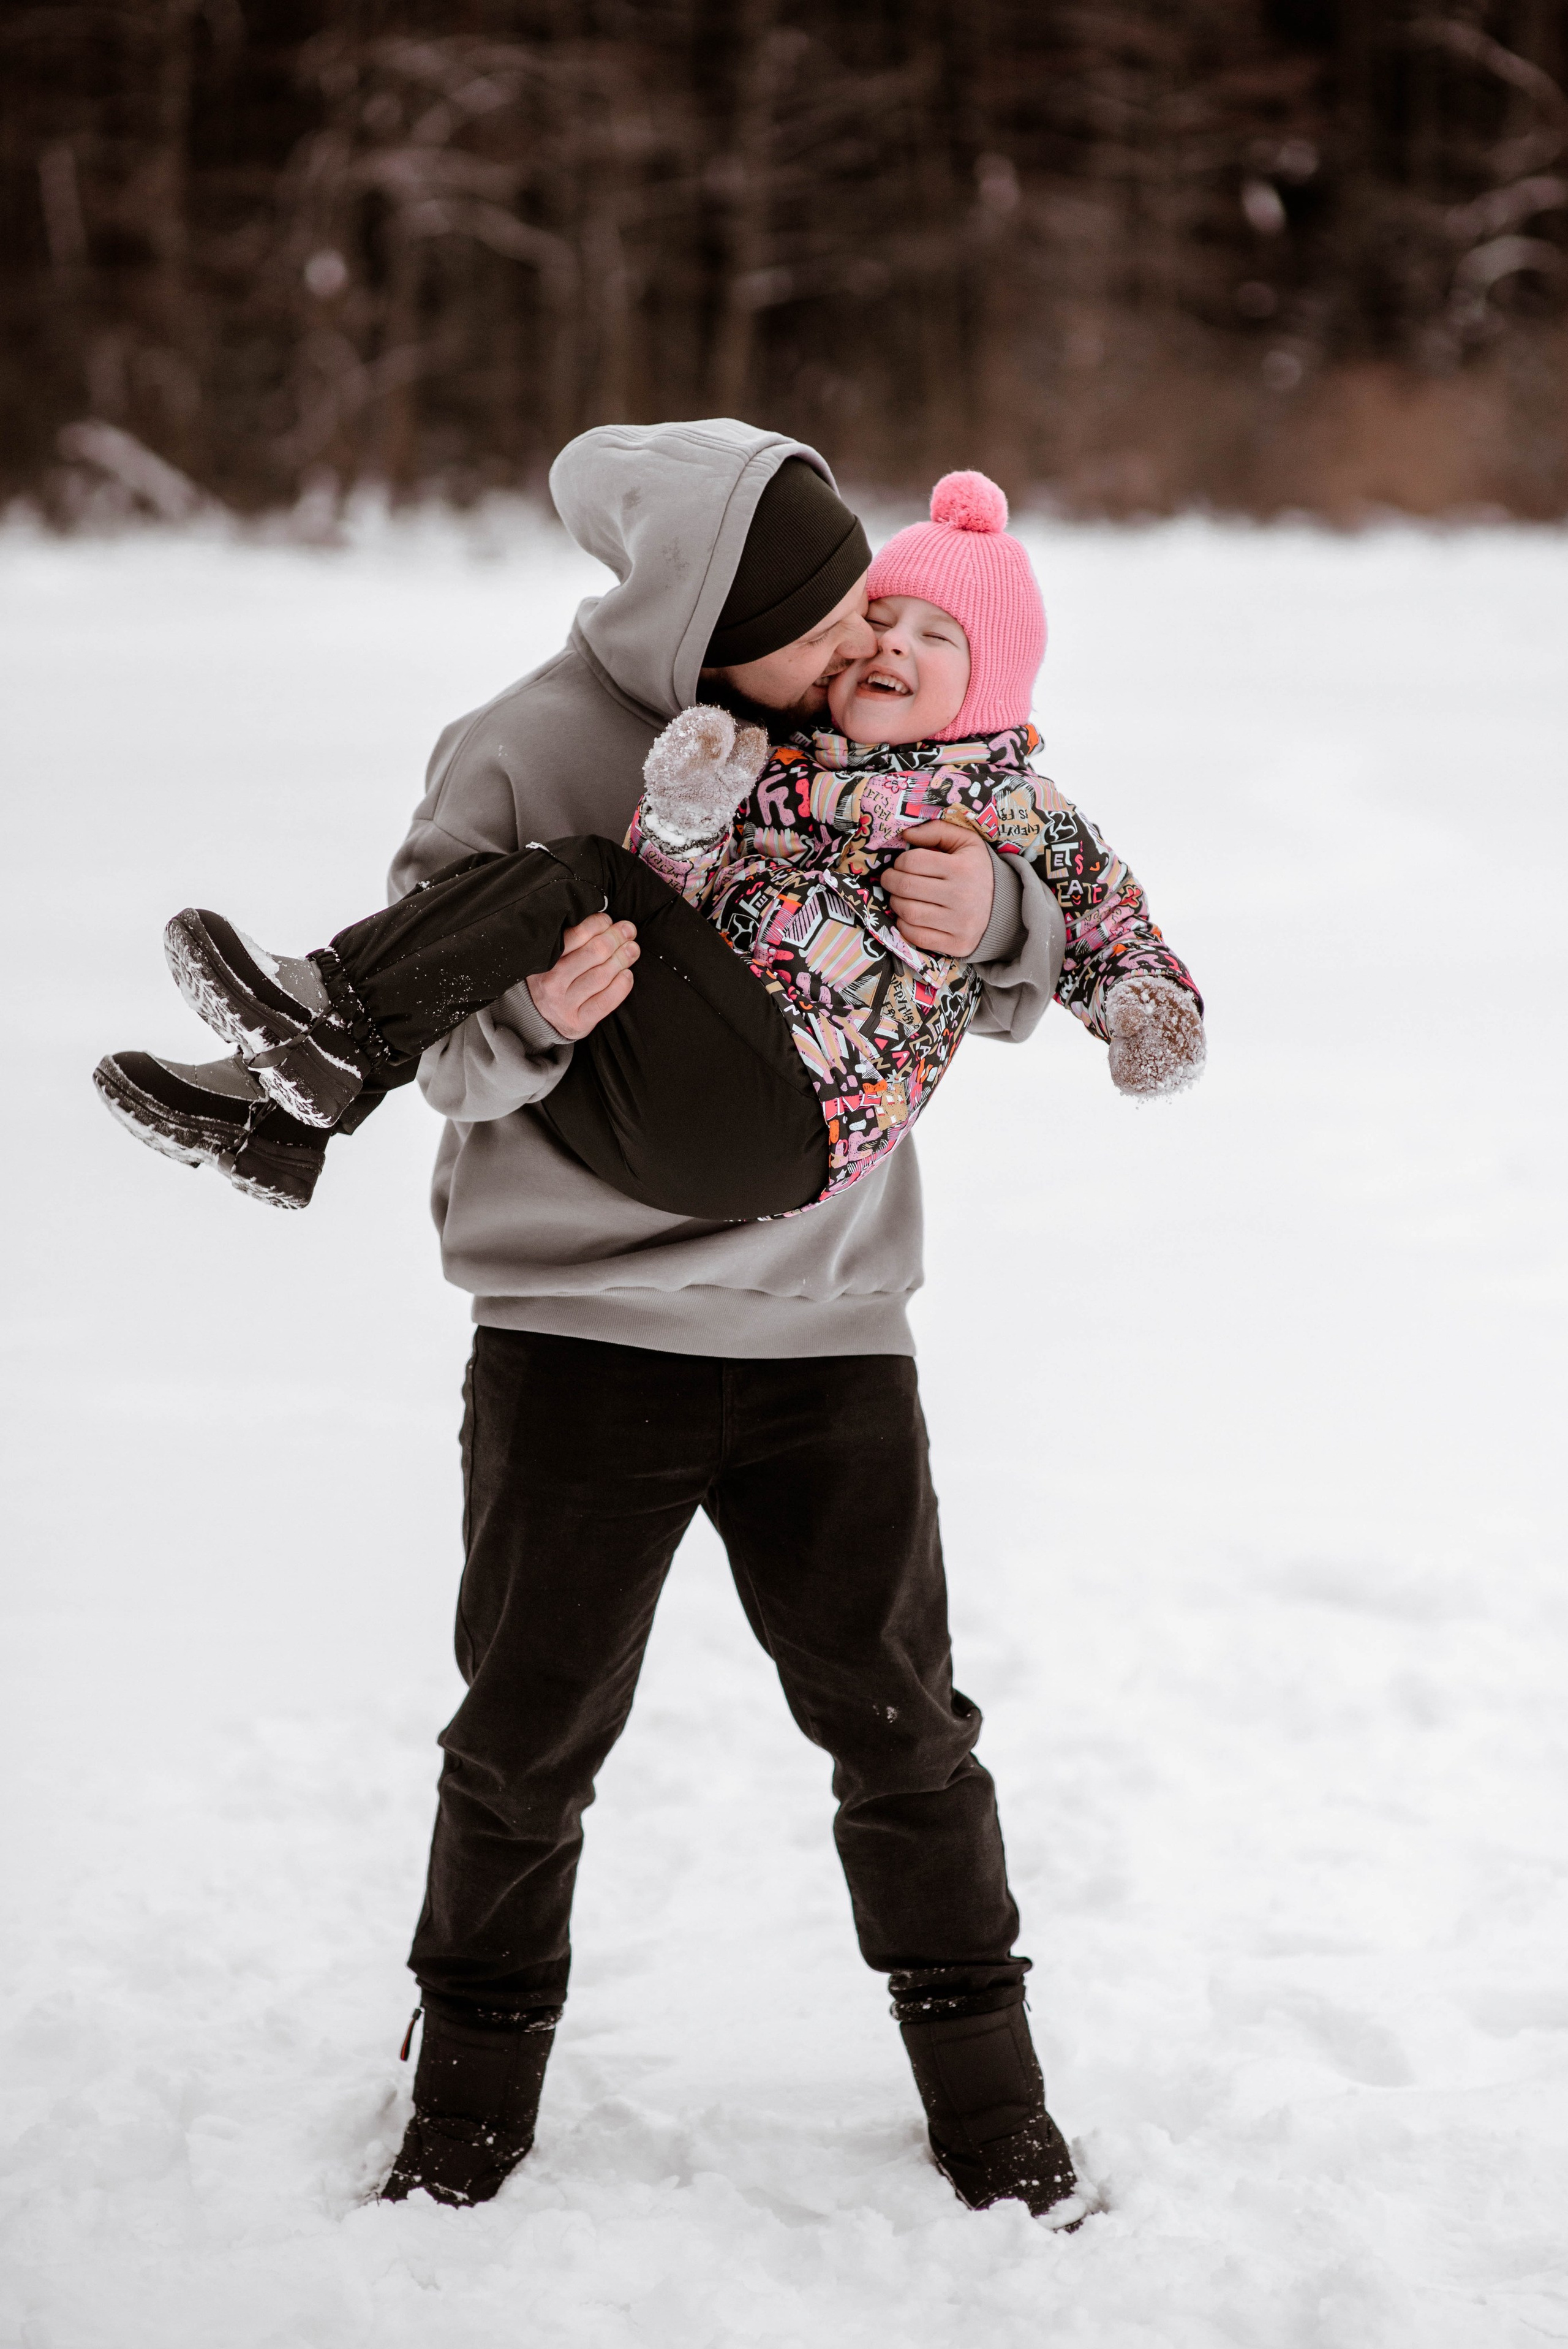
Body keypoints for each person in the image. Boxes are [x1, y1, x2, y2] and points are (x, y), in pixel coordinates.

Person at [95, 422, 1127, 2222]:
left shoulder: (855, 728)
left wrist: (1016, 913)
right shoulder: (518, 745)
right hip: (580, 1339)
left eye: (860, 618)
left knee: (905, 1732)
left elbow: (1013, 912)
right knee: (526, 1734)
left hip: (828, 1339)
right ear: (701, 617)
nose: (857, 650)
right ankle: (470, 2104)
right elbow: (465, 1057)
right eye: (813, 622)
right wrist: (542, 1025)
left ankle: (992, 2106)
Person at [96, 474, 1200, 1223]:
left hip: (794, 1122)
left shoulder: (1015, 808)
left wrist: (1134, 1008)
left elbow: (1116, 932)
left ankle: (326, 1025)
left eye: (937, 637)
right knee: (563, 891)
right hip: (674, 1113)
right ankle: (277, 1113)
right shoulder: (779, 766)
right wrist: (683, 819)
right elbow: (669, 916)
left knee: (580, 870)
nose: (890, 646)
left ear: (991, 683)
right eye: (884, 620)